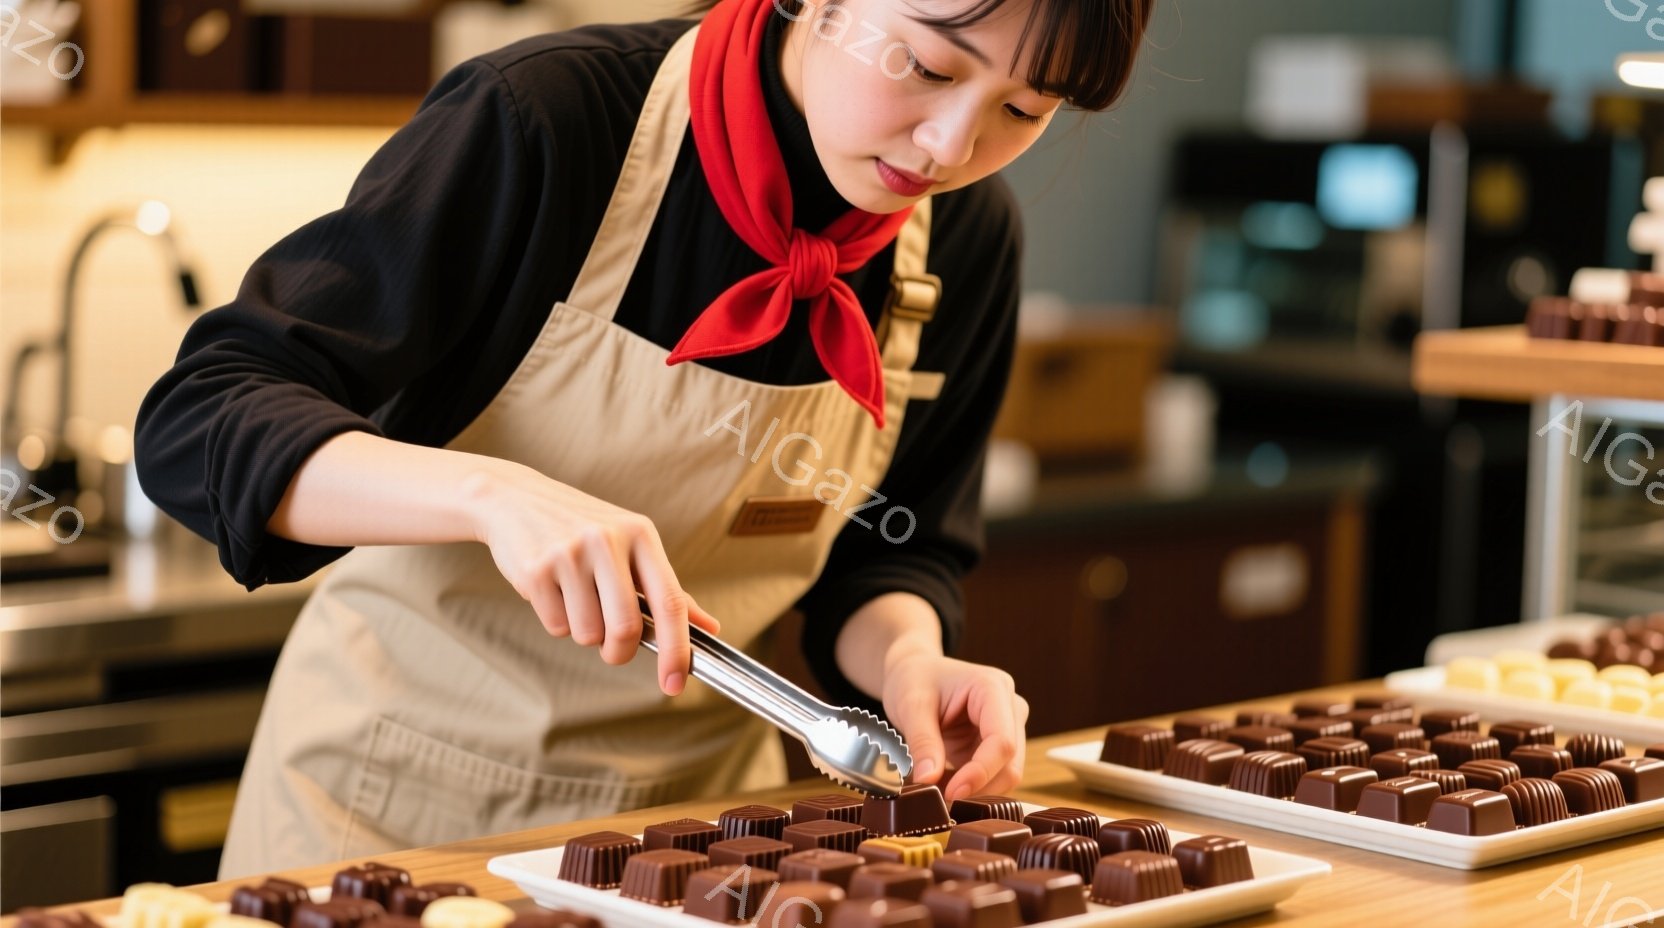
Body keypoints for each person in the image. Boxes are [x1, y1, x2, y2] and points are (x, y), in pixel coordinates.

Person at [135, 0, 1154, 876]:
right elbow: (206, 413)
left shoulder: (964, 239)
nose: (950, 147)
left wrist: (905, 661)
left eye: (1025, 109)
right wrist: (490, 496)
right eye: (927, 67)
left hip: (703, 839)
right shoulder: (548, 119)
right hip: (390, 811)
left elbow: (892, 547)